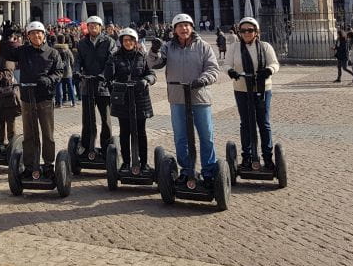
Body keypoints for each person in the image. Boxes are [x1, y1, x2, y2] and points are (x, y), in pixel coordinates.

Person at [147, 14, 220, 189]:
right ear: (174, 29)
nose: (184, 29)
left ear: (192, 27)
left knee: (206, 136)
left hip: (200, 97)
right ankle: (187, 170)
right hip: (178, 98)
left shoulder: (203, 47)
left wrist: (203, 79)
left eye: (187, 25)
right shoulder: (168, 47)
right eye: (180, 26)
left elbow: (213, 69)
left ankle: (208, 171)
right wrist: (153, 51)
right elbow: (154, 64)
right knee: (181, 137)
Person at [0, 20, 63, 179]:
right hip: (27, 97)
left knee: (47, 134)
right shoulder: (23, 51)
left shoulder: (52, 52)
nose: (36, 36)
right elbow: (6, 53)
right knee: (29, 135)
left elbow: (59, 71)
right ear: (28, 36)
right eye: (33, 33)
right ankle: (30, 165)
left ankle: (48, 164)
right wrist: (6, 35)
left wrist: (49, 80)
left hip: (45, 98)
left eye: (39, 33)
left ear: (44, 35)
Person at [223, 17, 280, 170]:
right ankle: (247, 156)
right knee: (246, 123)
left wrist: (269, 70)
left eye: (250, 30)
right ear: (239, 32)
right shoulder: (234, 48)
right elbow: (226, 64)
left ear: (256, 32)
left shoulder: (265, 47)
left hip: (262, 89)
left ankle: (267, 157)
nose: (246, 33)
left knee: (264, 123)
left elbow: (274, 63)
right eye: (243, 31)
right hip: (241, 89)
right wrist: (231, 72)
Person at [105, 27, 156, 172]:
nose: (128, 43)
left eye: (131, 40)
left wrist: (146, 80)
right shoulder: (115, 57)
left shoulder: (142, 56)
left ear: (135, 42)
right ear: (121, 42)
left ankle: (144, 163)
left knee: (141, 131)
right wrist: (109, 63)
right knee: (124, 131)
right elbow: (109, 76)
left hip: (140, 98)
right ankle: (126, 162)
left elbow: (152, 74)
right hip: (123, 98)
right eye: (125, 40)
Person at [73, 16, 116, 155]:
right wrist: (76, 71)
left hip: (103, 86)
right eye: (90, 25)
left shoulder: (109, 41)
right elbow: (78, 60)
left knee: (105, 119)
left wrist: (104, 74)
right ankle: (86, 146)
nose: (93, 27)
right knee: (87, 119)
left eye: (95, 25)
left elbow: (111, 60)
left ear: (100, 27)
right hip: (87, 84)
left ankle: (106, 146)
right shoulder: (82, 43)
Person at [52, 35, 76, 108]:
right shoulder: (67, 50)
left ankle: (59, 103)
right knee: (70, 87)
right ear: (64, 40)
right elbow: (72, 60)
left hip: (58, 72)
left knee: (58, 87)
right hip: (68, 72)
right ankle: (73, 102)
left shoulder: (54, 50)